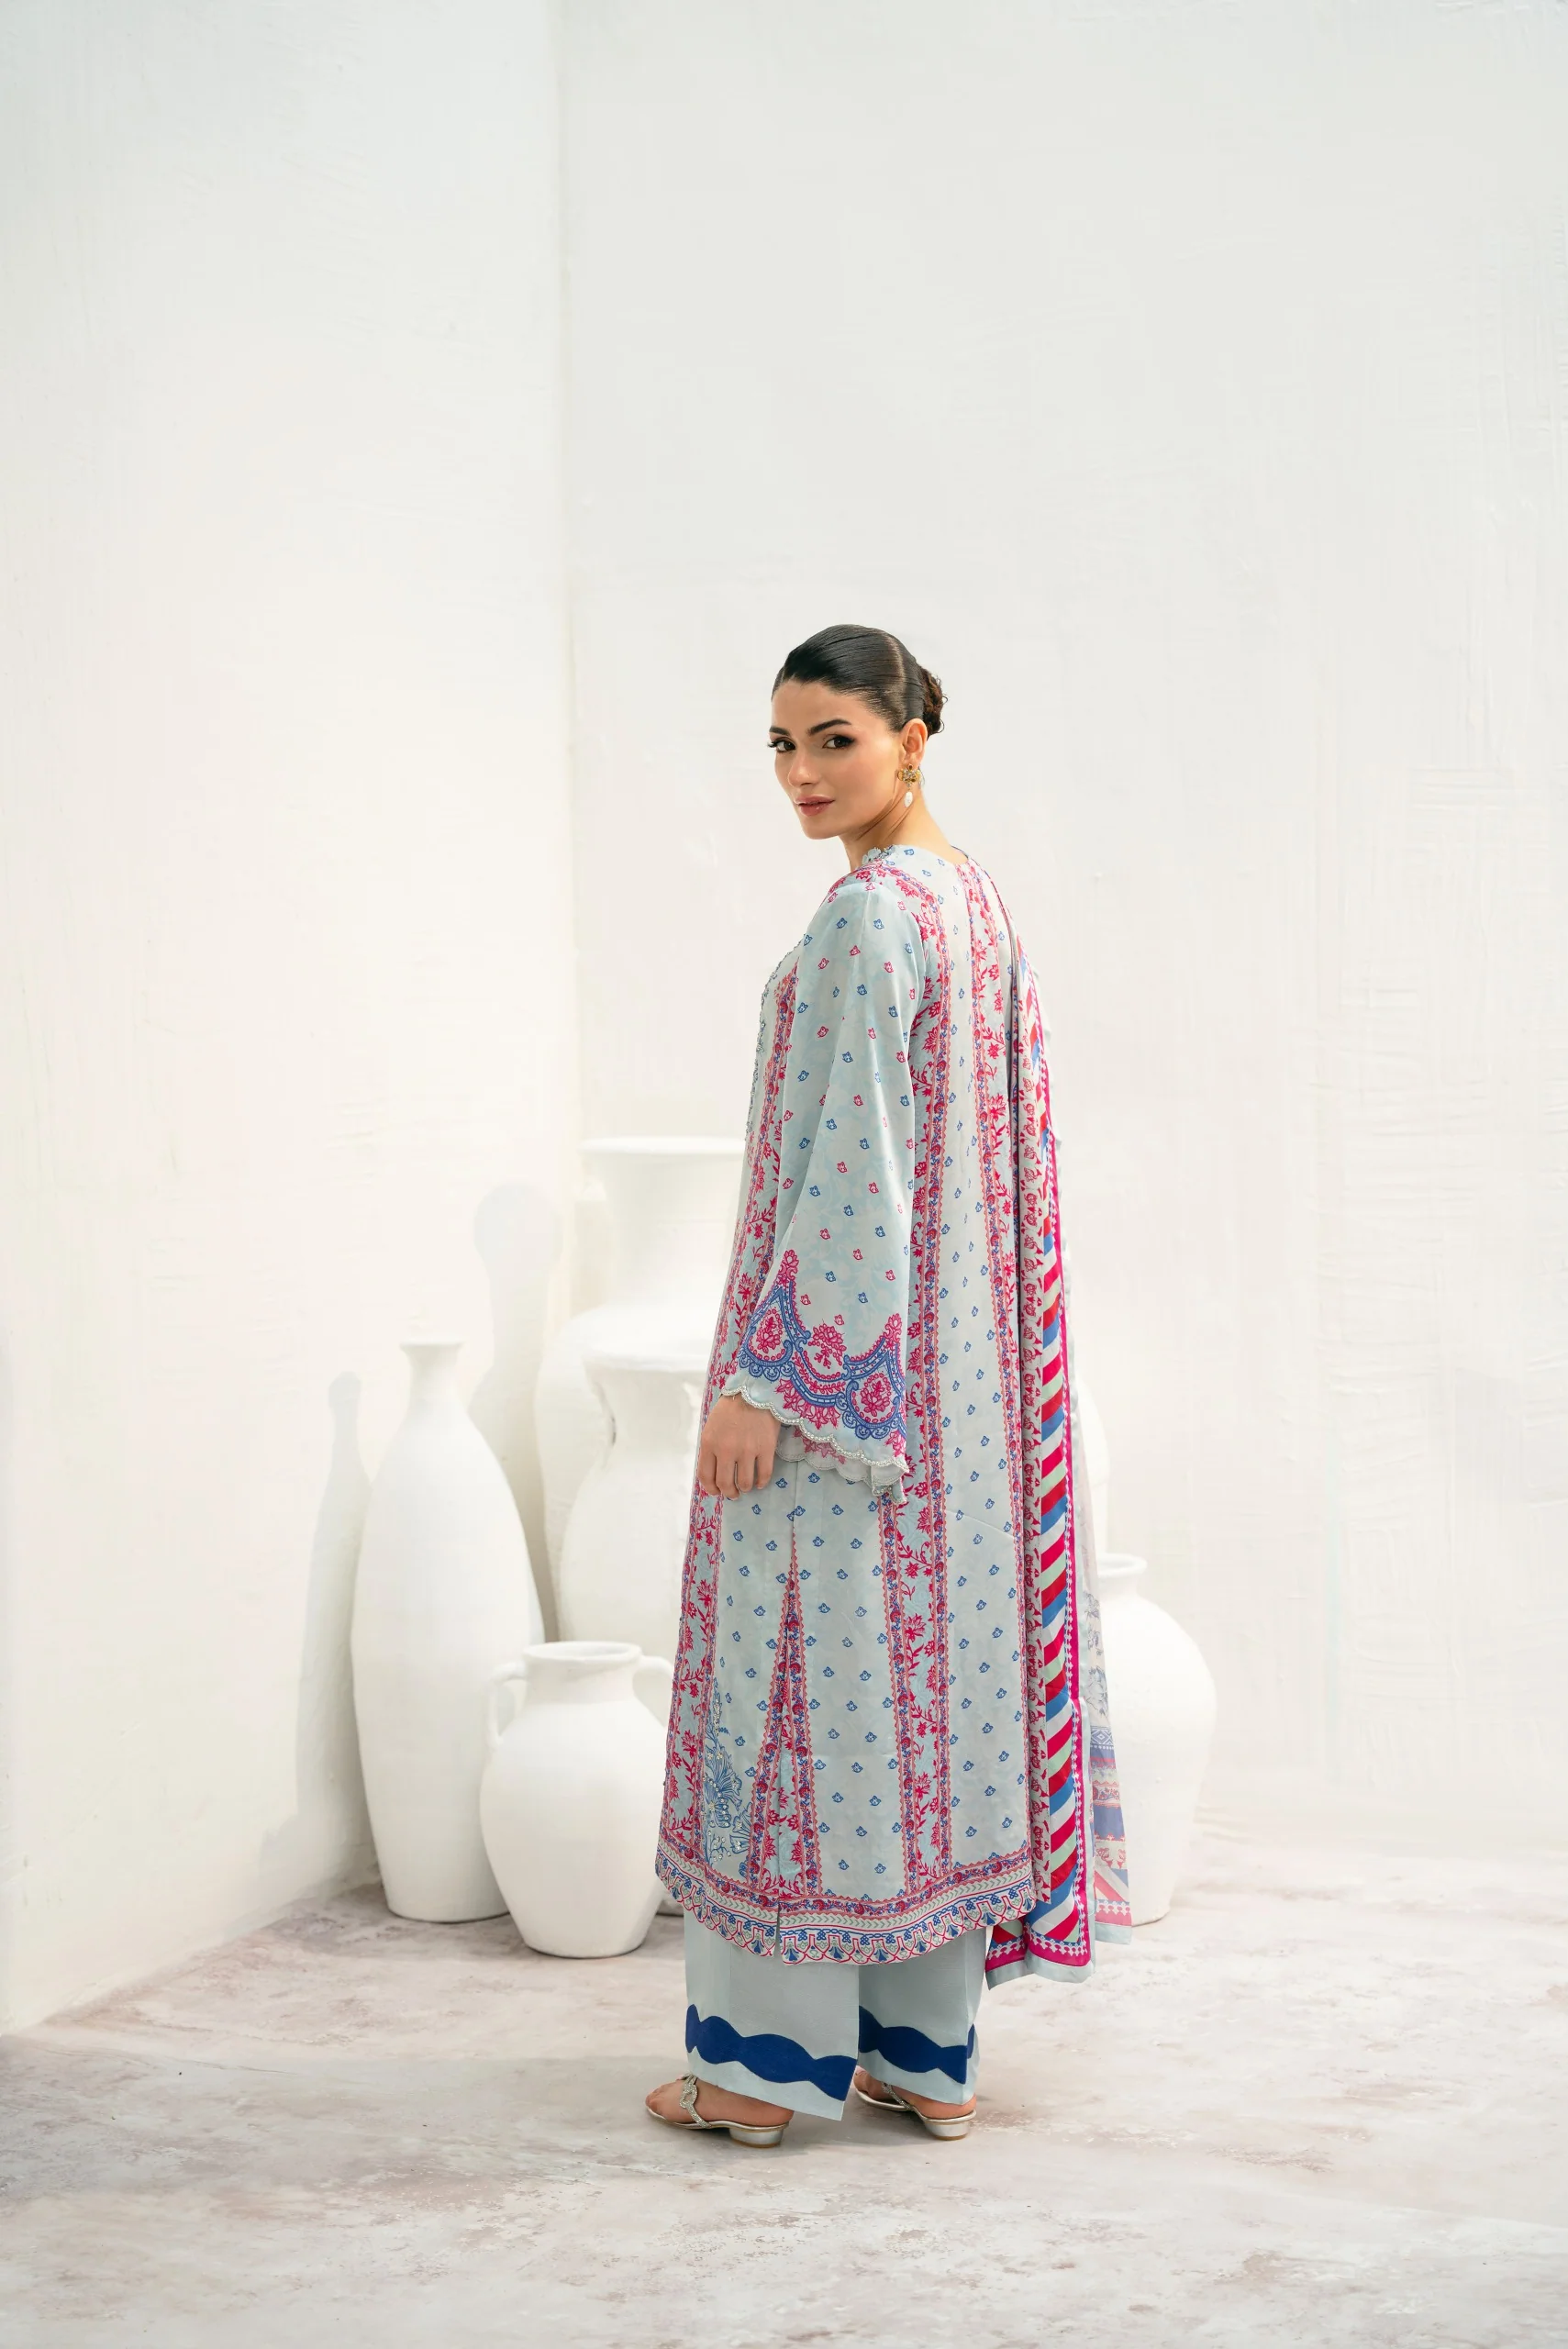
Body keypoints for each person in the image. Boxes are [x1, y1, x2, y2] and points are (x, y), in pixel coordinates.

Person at [645, 624, 1130, 2148]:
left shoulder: (871, 915)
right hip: (957, 1416)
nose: (801, 772)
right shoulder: (969, 902)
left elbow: (859, 1167)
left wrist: (769, 1385)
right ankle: (923, 2059)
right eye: (782, 746)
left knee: (801, 1701)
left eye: (834, 739)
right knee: (920, 1721)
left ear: (914, 737)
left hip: (843, 1408)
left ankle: (756, 2076)